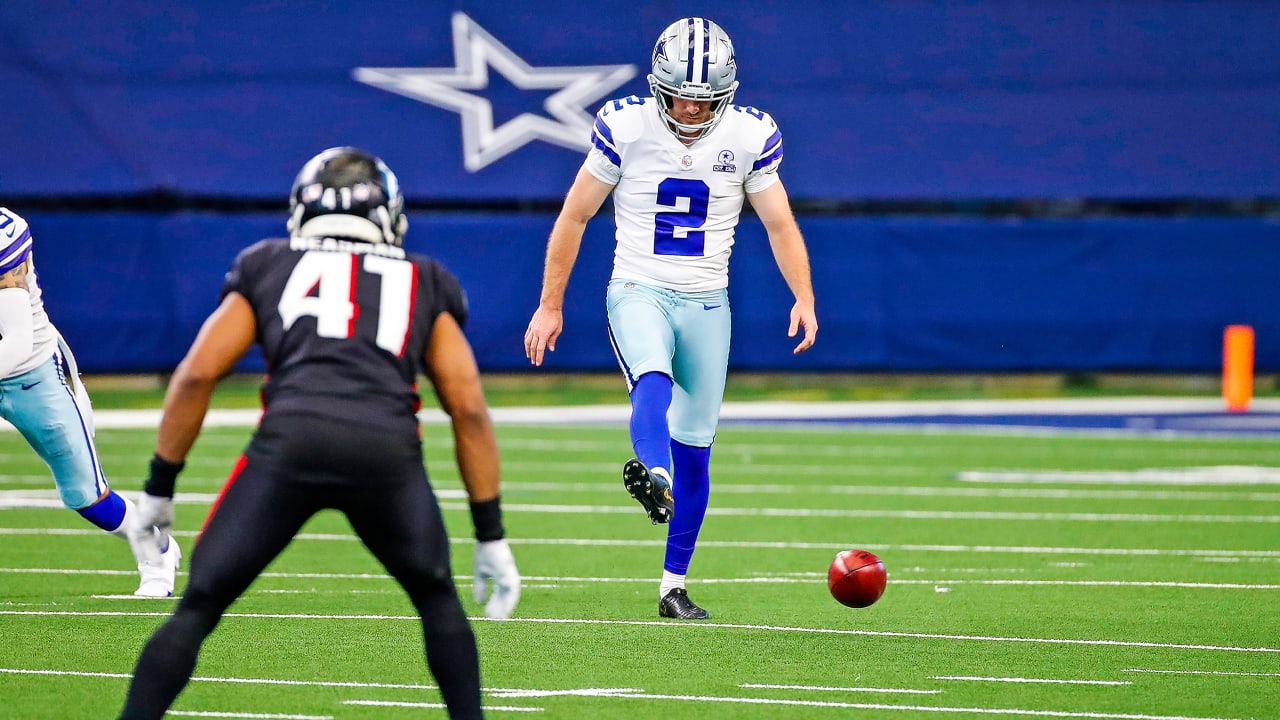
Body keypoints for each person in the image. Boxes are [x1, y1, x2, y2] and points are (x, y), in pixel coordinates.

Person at [118, 147, 520, 720]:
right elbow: (469, 408)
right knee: (437, 601)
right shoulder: (424, 277)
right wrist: (490, 533)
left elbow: (197, 374)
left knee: (198, 609)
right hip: (385, 453)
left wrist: (160, 489)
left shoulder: (267, 263)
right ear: (389, 214)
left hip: (290, 445)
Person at [523, 17, 817, 620]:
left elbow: (781, 223)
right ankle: (651, 471)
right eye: (680, 94)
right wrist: (550, 303)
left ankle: (672, 587)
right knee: (650, 374)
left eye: (703, 98)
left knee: (699, 449)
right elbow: (574, 216)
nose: (689, 108)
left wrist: (804, 296)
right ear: (658, 84)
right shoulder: (626, 125)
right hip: (639, 288)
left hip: (709, 301)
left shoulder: (749, 134)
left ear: (727, 92)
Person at [0, 207, 179, 598]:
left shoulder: (4, 233)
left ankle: (157, 551)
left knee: (87, 496)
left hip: (30, 375)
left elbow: (16, 341)